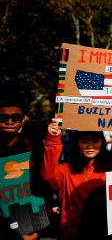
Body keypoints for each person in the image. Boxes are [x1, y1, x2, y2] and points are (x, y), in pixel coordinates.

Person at [41, 118, 110, 240]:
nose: (90, 146)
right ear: (76, 144)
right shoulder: (65, 170)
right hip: (70, 234)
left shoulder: (110, 171)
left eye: (95, 141)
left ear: (102, 143)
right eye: (84, 141)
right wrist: (53, 139)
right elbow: (48, 175)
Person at [0, 98, 49, 240]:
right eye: (3, 117)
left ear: (24, 119)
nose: (9, 121)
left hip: (28, 224)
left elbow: (41, 187)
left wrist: (36, 226)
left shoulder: (34, 148)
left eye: (16, 117)